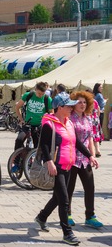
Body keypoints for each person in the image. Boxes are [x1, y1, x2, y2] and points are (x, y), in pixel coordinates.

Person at [34, 92, 99, 245]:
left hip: (69, 165)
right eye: (69, 105)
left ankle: (42, 217)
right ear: (60, 107)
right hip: (56, 167)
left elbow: (76, 142)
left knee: (58, 197)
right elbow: (43, 144)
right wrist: (49, 162)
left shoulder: (68, 122)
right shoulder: (49, 123)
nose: (72, 107)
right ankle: (67, 233)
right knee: (64, 200)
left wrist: (90, 156)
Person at [66, 91, 103, 229]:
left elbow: (90, 139)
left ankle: (90, 216)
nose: (82, 105)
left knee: (90, 187)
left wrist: (92, 155)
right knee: (69, 188)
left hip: (85, 159)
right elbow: (75, 140)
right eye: (79, 102)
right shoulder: (70, 118)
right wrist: (90, 155)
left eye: (84, 102)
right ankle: (67, 214)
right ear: (74, 104)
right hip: (72, 157)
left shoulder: (88, 118)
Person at [13, 82, 52, 166]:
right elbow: (17, 107)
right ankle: (16, 162)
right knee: (19, 140)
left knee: (37, 146)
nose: (40, 95)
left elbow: (51, 114)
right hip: (27, 124)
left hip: (39, 126)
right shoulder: (28, 95)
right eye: (38, 93)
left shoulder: (47, 99)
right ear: (35, 89)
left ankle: (35, 164)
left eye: (42, 94)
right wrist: (21, 119)